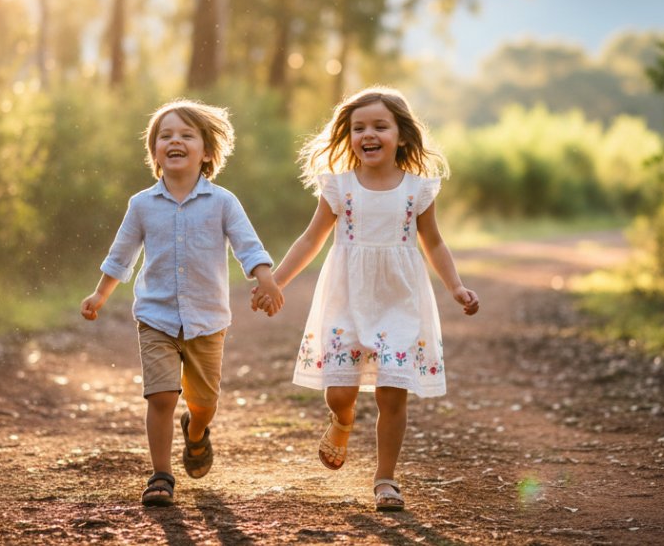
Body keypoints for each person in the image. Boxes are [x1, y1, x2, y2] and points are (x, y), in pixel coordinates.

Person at [255, 86, 479, 512]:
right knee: (340, 392)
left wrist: (456, 287)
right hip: (347, 296)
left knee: (393, 393)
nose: (367, 134)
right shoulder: (339, 187)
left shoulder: (417, 189)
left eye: (379, 126)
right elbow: (310, 240)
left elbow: (434, 243)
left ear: (402, 135)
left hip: (399, 299)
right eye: (358, 127)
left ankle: (385, 480)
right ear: (348, 135)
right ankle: (342, 421)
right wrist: (276, 281)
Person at [80, 99, 284, 507]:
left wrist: (266, 279)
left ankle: (196, 432)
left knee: (204, 404)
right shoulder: (141, 205)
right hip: (155, 317)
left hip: (207, 321)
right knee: (161, 396)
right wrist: (100, 293)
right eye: (165, 136)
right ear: (154, 151)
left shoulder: (223, 201)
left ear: (206, 152)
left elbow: (247, 244)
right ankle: (161, 475)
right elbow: (122, 254)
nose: (175, 140)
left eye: (186, 135)